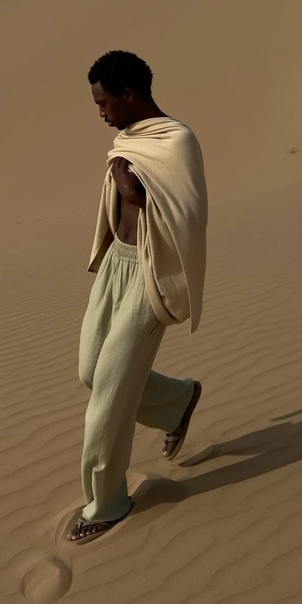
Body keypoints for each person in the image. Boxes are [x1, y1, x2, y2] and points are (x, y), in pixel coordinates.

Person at [67, 50, 208, 544]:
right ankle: (177, 401)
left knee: (108, 392)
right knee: (90, 370)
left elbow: (187, 216)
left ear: (130, 95)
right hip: (115, 267)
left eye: (105, 103)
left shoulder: (177, 141)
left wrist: (129, 186)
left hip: (152, 274)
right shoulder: (129, 137)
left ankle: (106, 502)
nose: (101, 114)